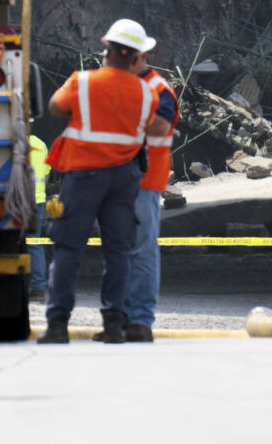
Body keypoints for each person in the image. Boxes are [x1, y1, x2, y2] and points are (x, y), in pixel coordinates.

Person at [37, 19, 160, 344]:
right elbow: (149, 126)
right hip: (124, 179)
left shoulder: (83, 81)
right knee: (118, 250)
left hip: (83, 176)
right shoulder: (147, 94)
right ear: (135, 57)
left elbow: (54, 108)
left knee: (68, 249)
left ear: (106, 51)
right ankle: (115, 326)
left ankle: (58, 325)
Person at [93, 37, 178, 343]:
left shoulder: (158, 88)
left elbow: (161, 125)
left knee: (141, 250)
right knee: (117, 252)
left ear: (141, 57)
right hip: (114, 181)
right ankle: (117, 319)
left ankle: (140, 321)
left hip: (144, 181)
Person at [27, 134, 51, 300]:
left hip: (18, 200)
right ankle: (38, 288)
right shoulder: (41, 144)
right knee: (34, 243)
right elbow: (47, 176)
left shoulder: (14, 144)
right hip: (38, 200)